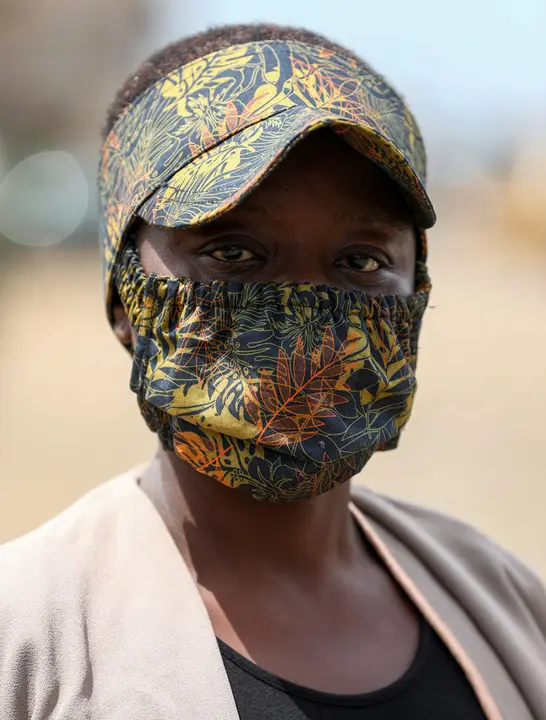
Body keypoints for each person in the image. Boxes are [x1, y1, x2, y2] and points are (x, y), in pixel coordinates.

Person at [0, 23, 545, 720]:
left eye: (361, 261)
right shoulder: (27, 641)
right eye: (233, 253)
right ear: (124, 297)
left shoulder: (505, 604)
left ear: (418, 289)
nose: (304, 309)